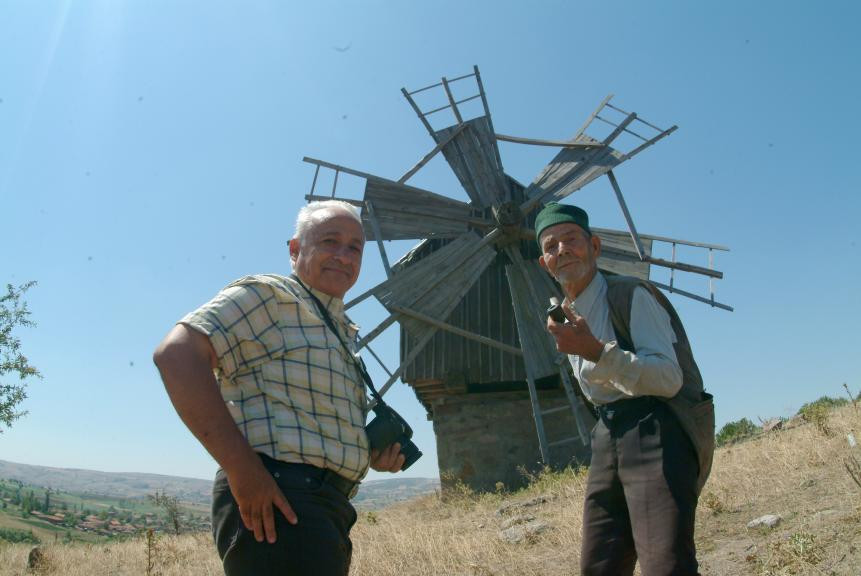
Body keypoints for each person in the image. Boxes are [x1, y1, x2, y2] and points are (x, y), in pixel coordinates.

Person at [153, 200, 405, 576]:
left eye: (355, 247)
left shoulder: (340, 327)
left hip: (325, 507)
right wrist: (243, 470)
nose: (343, 255)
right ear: (295, 250)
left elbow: (303, 422)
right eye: (330, 241)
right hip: (279, 499)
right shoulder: (270, 296)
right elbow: (176, 354)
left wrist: (365, 454)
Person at [535, 202, 715, 576]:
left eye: (571, 240)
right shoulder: (564, 315)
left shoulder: (631, 296)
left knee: (666, 565)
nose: (562, 251)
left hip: (656, 427)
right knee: (600, 564)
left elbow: (669, 379)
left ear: (595, 246)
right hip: (607, 433)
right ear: (544, 263)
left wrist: (597, 352)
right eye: (551, 246)